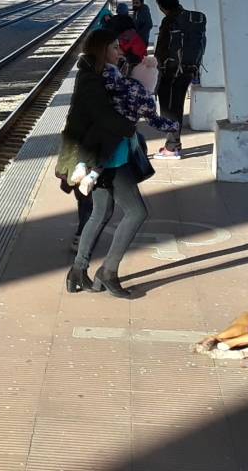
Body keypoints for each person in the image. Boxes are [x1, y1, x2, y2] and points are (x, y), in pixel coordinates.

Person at [56, 30, 148, 298]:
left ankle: (77, 271)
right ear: (102, 50)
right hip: (105, 158)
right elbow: (106, 118)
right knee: (136, 213)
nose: (120, 52)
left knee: (101, 213)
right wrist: (132, 121)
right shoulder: (92, 80)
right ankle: (108, 272)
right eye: (115, 47)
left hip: (101, 156)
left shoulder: (102, 75)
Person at [71, 55, 178, 195]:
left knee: (88, 144)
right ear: (151, 82)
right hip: (119, 132)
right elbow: (155, 121)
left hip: (100, 123)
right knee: (106, 155)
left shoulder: (119, 83)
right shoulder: (146, 99)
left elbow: (105, 82)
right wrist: (173, 126)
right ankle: (91, 178)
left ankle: (80, 166)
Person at [153, 0, 207, 159]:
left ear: (161, 4)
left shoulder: (169, 20)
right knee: (177, 104)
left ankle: (172, 147)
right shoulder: (193, 19)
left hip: (170, 71)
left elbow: (161, 49)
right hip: (189, 69)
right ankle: (174, 145)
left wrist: (154, 67)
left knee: (169, 108)